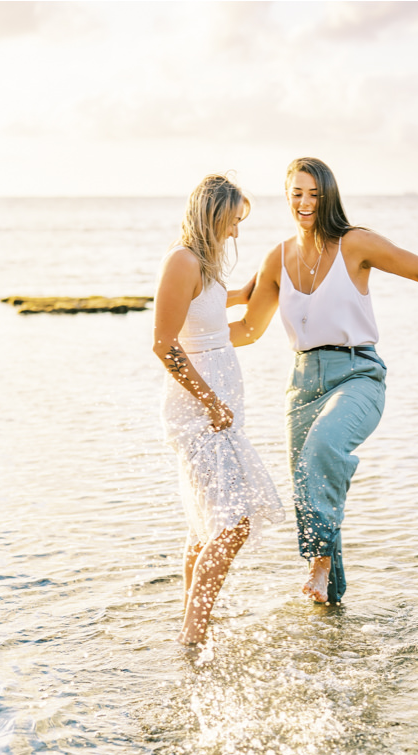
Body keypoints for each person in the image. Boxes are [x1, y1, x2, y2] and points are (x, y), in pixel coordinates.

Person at [230, 157, 418, 605]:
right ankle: (330, 604)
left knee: (322, 450)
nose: (305, 203)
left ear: (328, 197)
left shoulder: (354, 243)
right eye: (297, 194)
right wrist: (191, 337)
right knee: (307, 480)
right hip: (302, 384)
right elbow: (248, 329)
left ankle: (318, 562)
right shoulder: (277, 258)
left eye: (314, 194)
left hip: (358, 374)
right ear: (287, 197)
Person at [153, 174, 284, 646]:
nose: (235, 232)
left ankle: (190, 629)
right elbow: (164, 346)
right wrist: (210, 401)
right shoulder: (181, 260)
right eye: (232, 221)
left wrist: (256, 285)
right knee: (233, 525)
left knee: (203, 527)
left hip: (219, 413)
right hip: (200, 414)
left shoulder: (201, 268)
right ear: (214, 214)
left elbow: (214, 306)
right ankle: (193, 634)